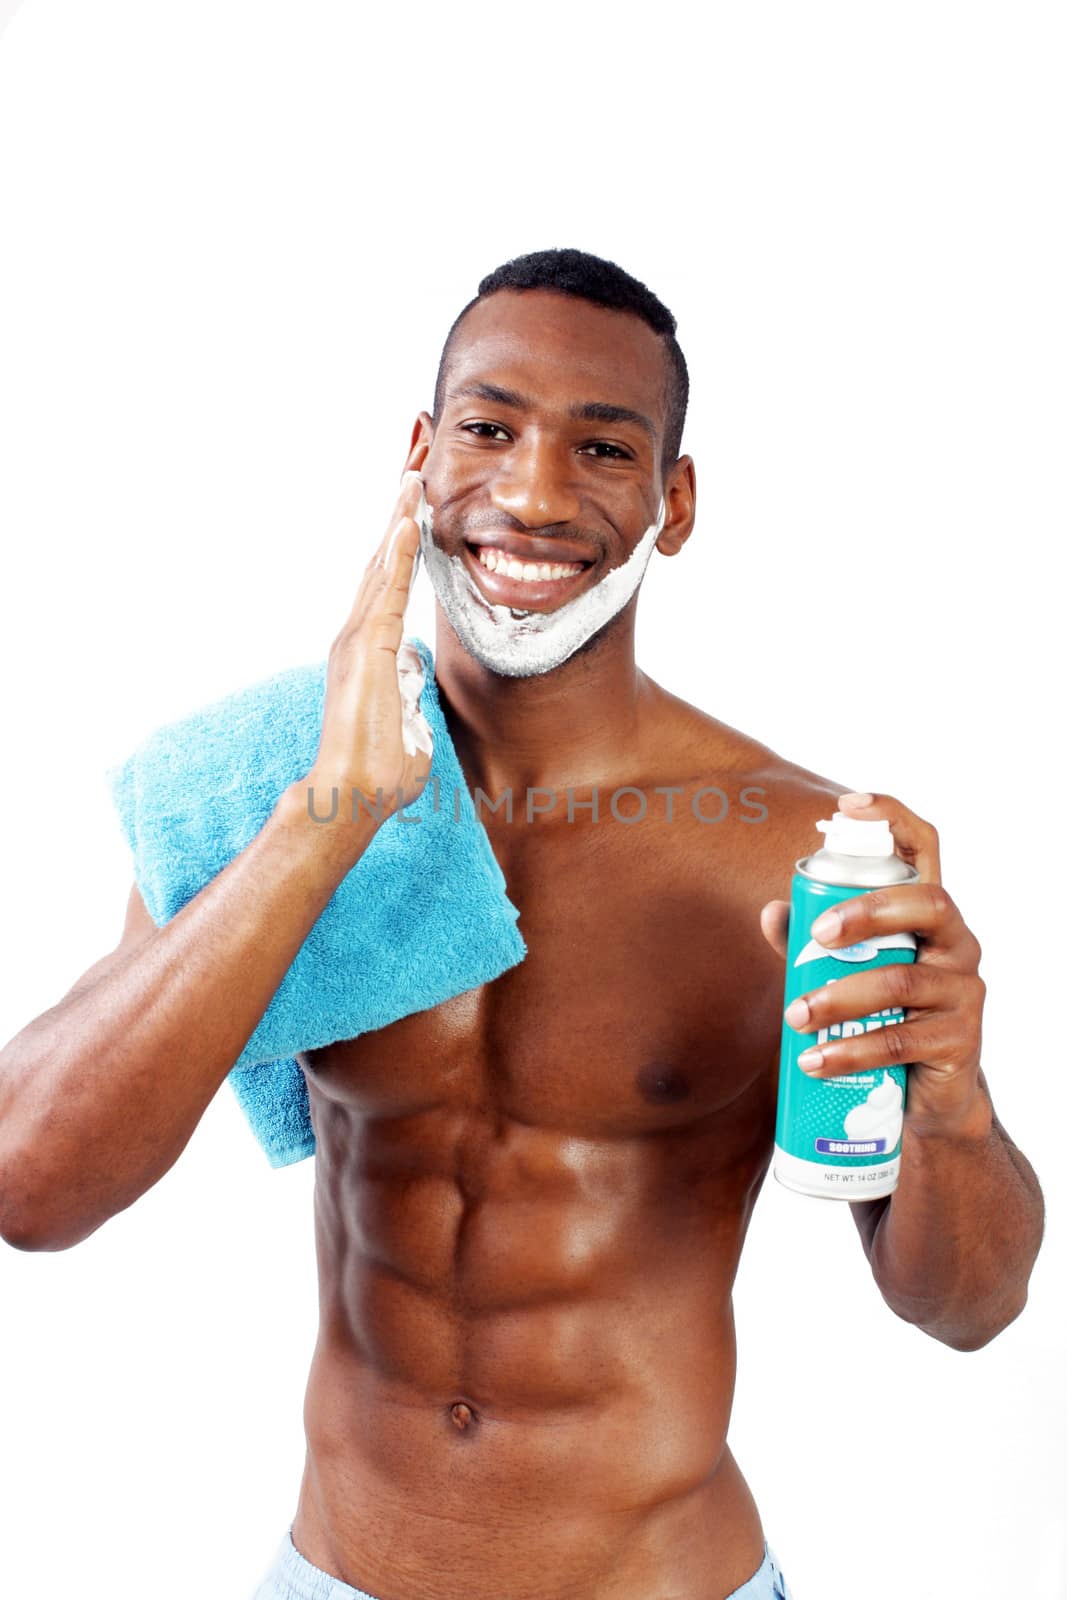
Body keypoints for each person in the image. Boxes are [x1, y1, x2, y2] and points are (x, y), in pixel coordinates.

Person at [0, 249, 1044, 1600]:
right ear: (421, 453)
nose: (535, 492)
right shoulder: (268, 785)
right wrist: (328, 816)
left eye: (602, 448)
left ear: (672, 503)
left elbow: (967, 1307)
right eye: (489, 428)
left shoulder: (797, 852)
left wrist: (949, 1100)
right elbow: (30, 1184)